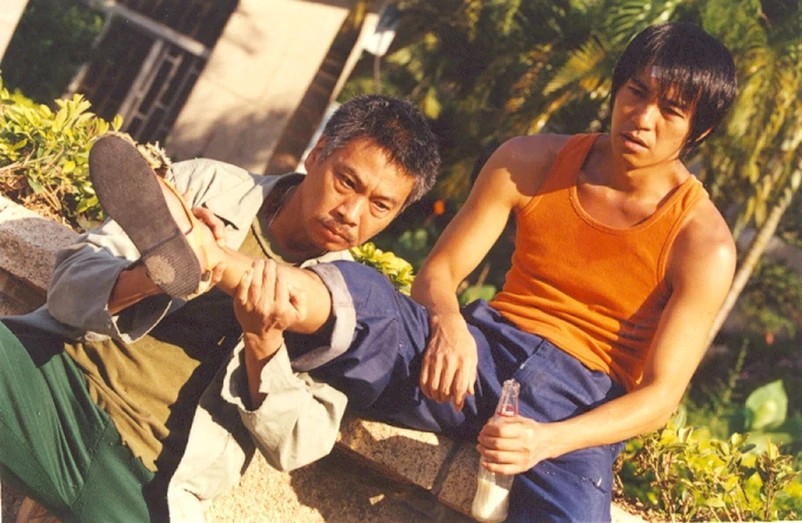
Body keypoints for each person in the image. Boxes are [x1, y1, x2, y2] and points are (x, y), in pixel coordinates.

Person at [117, 21, 736, 521]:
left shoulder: (702, 243)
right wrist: (449, 324)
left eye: (671, 110)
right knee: (366, 300)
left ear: (700, 129)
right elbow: (439, 271)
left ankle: (208, 256)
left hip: (576, 406)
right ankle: (211, 259)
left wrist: (547, 441)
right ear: (618, 88)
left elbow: (659, 398)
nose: (643, 118)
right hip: (480, 351)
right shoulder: (530, 160)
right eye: (636, 93)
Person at [0, 94, 440, 522]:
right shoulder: (209, 186)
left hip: (148, 473)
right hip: (56, 381)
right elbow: (68, 285)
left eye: (380, 205)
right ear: (317, 154)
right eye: (347, 182)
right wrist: (154, 275)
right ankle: (191, 256)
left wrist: (263, 342)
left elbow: (299, 444)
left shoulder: (349, 310)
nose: (352, 213)